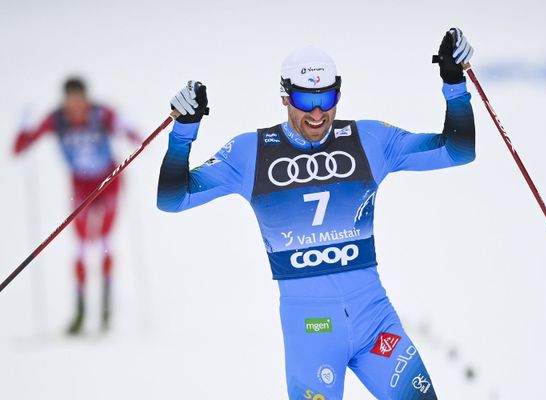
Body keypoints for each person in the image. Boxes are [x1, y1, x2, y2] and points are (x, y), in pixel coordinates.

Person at [158, 28, 475, 400]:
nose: (317, 112)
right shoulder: (252, 153)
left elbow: (457, 150)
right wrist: (183, 131)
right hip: (311, 329)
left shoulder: (368, 139)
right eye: (304, 99)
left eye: (326, 97)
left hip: (375, 320)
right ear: (284, 96)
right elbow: (174, 198)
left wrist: (454, 83)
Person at [13, 77, 141, 335]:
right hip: (80, 187)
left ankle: (105, 305)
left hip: (109, 182)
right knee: (82, 246)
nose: (75, 106)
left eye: (79, 99)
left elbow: (137, 137)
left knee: (105, 241)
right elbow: (20, 148)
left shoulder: (101, 113)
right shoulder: (57, 119)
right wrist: (24, 128)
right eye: (71, 100)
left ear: (86, 97)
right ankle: (81, 309)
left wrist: (126, 125)